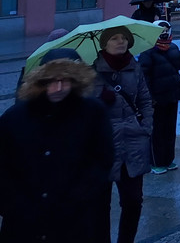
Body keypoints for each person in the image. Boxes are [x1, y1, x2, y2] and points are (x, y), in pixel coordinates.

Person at [0, 49, 114, 243]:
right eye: (52, 80)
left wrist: (79, 198)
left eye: (66, 80)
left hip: (75, 223)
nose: (59, 87)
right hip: (24, 225)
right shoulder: (14, 118)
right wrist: (14, 205)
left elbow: (102, 160)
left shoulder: (93, 113)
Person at [92, 25, 154, 243]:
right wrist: (99, 101)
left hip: (133, 143)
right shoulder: (92, 72)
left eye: (124, 38)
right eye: (114, 38)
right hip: (104, 145)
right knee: (101, 203)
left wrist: (146, 127)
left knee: (133, 201)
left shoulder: (134, 67)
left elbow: (145, 100)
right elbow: (84, 108)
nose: (121, 42)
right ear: (104, 44)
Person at [138, 20, 180, 174]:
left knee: (169, 130)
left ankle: (168, 159)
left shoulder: (172, 47)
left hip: (172, 96)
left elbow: (179, 64)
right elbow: (144, 76)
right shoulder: (147, 51)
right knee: (157, 132)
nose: (164, 32)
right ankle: (155, 162)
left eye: (166, 29)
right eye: (160, 29)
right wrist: (149, 97)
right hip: (156, 99)